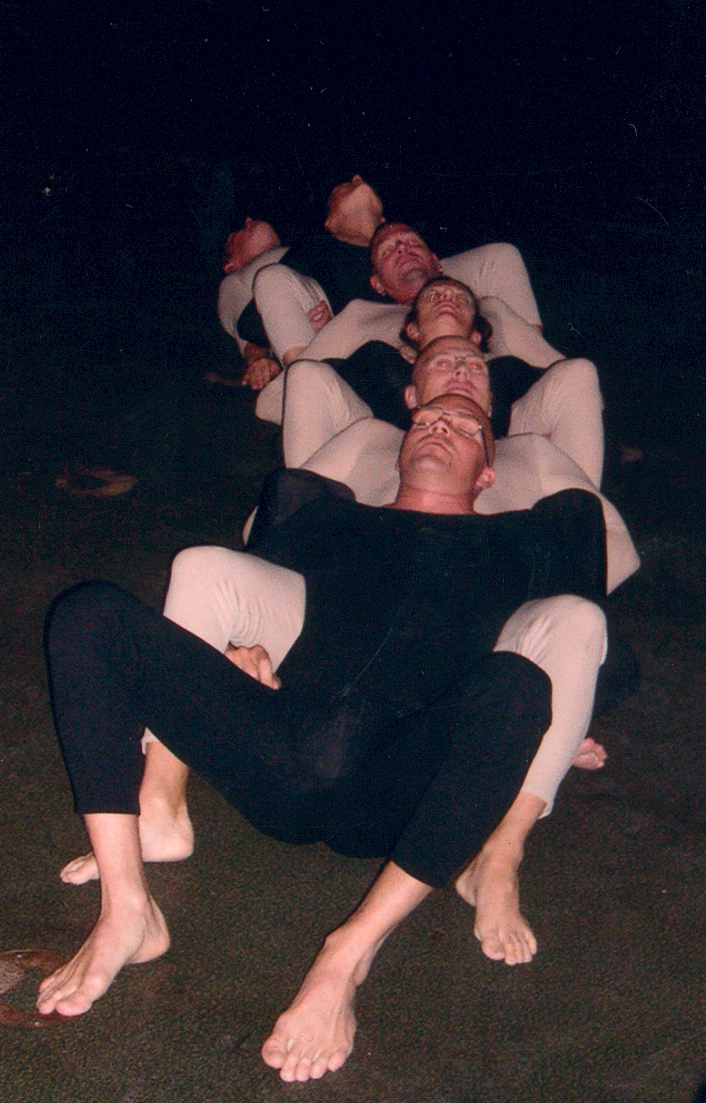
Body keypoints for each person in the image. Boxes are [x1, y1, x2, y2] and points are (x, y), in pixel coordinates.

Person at [39, 395, 607, 1083]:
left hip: (397, 786)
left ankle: (346, 958)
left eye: (464, 427)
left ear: (489, 472)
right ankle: (128, 908)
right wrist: (237, 651)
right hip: (276, 748)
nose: (438, 426)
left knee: (518, 686)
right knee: (89, 614)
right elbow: (247, 590)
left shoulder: (520, 542)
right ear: (400, 451)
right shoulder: (335, 519)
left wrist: (566, 729)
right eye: (427, 420)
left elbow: (586, 646)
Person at [280, 262, 603, 489]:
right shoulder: (378, 360)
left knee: (579, 372)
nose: (448, 298)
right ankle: (302, 514)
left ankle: (584, 518)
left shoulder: (504, 371)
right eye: (433, 297)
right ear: (412, 328)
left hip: (490, 452)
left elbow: (578, 401)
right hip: (387, 451)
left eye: (462, 299)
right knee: (306, 374)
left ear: (476, 334)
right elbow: (295, 397)